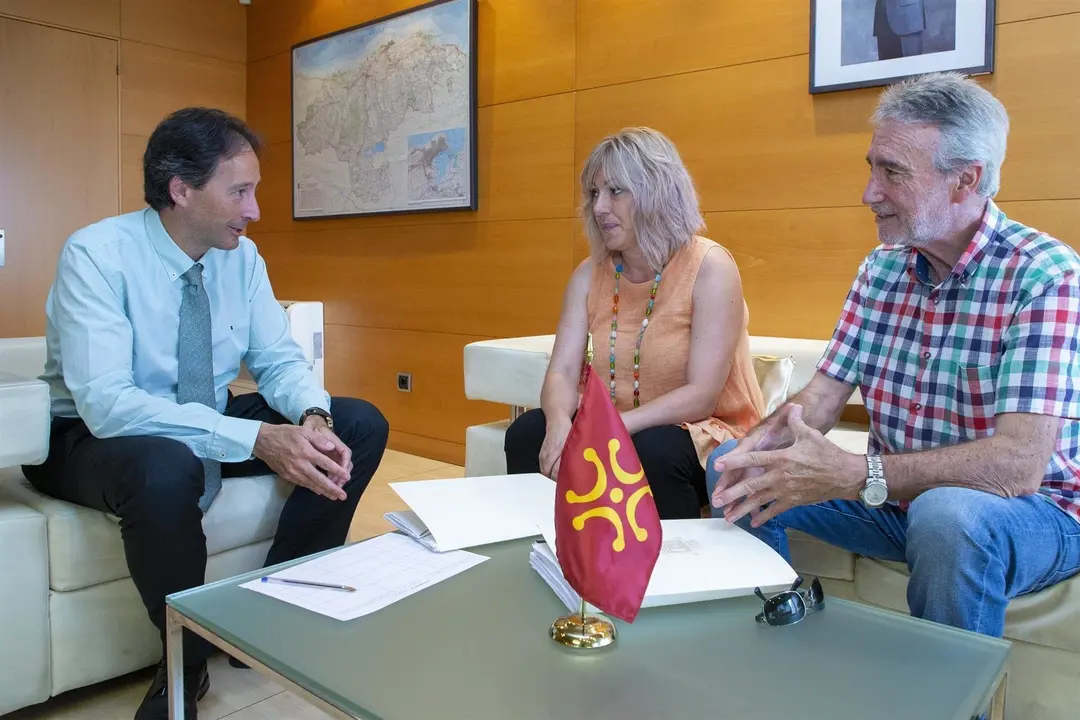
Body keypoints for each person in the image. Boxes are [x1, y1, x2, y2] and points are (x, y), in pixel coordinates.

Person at [21, 108, 389, 720]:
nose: (255, 210)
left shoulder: (241, 259)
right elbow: (109, 404)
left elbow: (277, 360)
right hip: (86, 436)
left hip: (201, 415)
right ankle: (185, 664)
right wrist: (258, 438)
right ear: (181, 189)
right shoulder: (97, 255)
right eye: (240, 191)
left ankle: (273, 615)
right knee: (166, 466)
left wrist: (313, 418)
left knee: (359, 422)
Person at [708, 72, 1080, 640]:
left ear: (965, 180)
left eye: (893, 172)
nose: (869, 192)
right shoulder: (881, 268)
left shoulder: (1044, 275)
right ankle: (764, 654)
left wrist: (858, 473)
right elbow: (821, 399)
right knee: (733, 465)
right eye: (871, 166)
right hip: (895, 503)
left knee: (949, 516)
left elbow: (1019, 465)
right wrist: (769, 440)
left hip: (1032, 511)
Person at [505, 127, 764, 519]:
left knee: (654, 450)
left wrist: (610, 427)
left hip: (697, 433)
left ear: (656, 191)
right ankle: (549, 556)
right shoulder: (588, 275)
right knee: (527, 434)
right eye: (594, 194)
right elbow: (561, 370)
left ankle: (671, 574)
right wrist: (559, 422)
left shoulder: (710, 267)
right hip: (615, 426)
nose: (599, 208)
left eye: (615, 192)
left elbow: (702, 395)